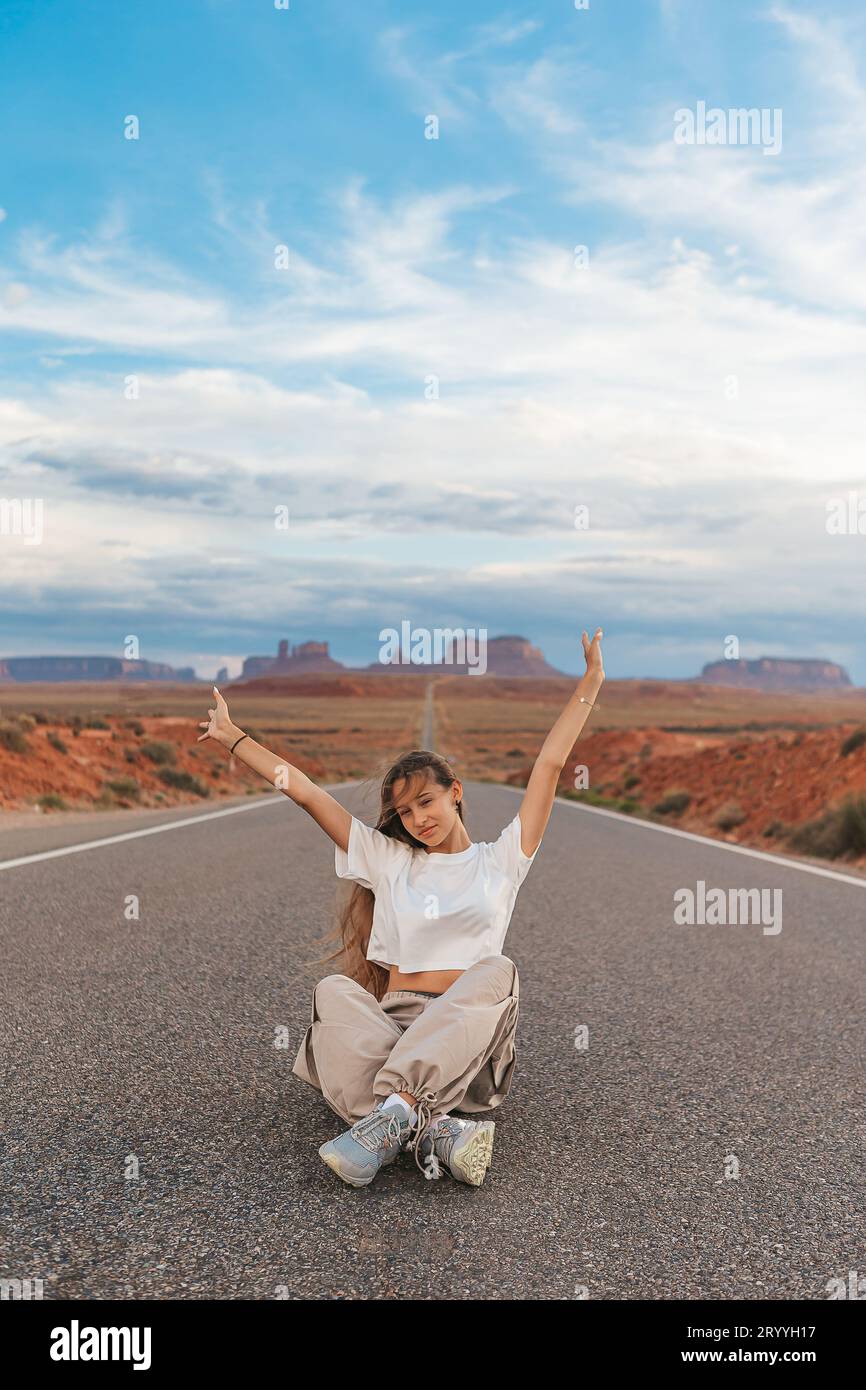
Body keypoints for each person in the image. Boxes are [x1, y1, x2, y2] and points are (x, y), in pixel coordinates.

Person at [198, 628, 604, 1187]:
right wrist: (234, 738)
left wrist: (589, 684)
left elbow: (549, 767)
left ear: (454, 792)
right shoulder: (388, 859)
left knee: (497, 970)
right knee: (333, 992)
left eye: (427, 801)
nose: (419, 819)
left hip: (467, 1045)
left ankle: (394, 1114)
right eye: (406, 811)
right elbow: (310, 794)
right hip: (395, 1026)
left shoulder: (501, 860)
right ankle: (428, 1128)